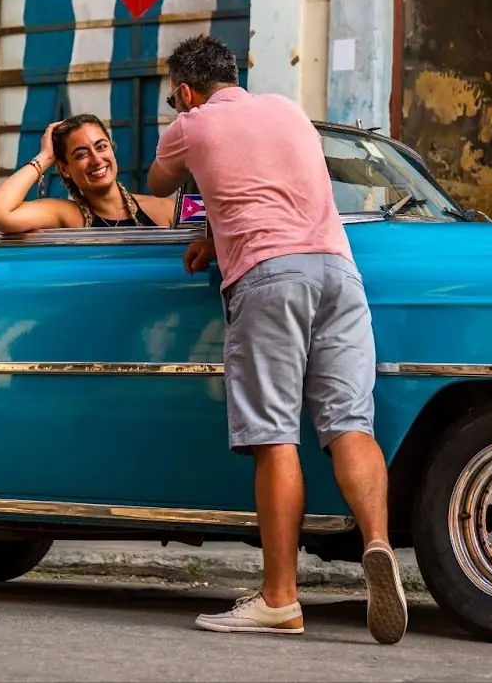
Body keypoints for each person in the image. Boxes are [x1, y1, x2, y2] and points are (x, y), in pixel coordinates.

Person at [147, 35, 407, 644]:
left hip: (269, 275)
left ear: (185, 90)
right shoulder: (288, 111)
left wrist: (181, 143)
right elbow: (272, 182)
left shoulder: (190, 123)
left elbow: (160, 184)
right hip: (338, 271)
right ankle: (376, 542)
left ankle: (280, 599)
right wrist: (217, 232)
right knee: (350, 424)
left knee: (273, 435)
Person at [0, 114, 176, 232]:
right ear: (65, 169)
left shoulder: (167, 207)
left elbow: (207, 218)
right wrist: (45, 157)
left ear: (112, 149)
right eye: (81, 155)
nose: (97, 159)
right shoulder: (67, 215)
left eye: (101, 147)